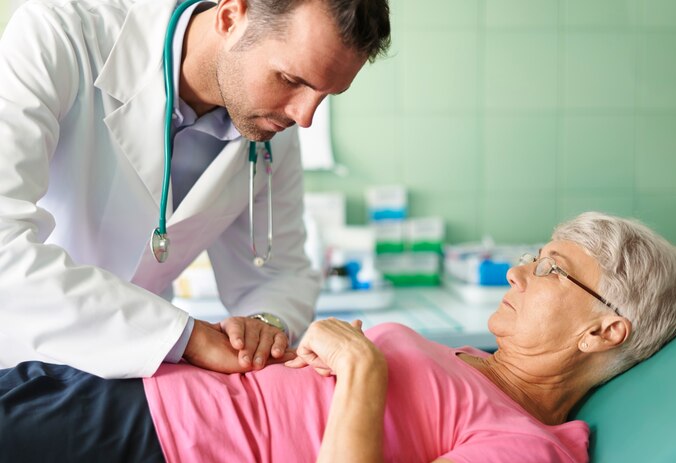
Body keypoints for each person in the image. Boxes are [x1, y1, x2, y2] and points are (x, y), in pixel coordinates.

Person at [0, 212, 676, 463]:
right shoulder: (470, 360)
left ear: (603, 331)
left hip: (160, 456)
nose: (519, 271)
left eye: (552, 268)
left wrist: (362, 371)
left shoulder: (533, 445)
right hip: (136, 386)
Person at [0, 0, 391, 378]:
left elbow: (277, 274)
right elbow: (4, 249)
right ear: (230, 16)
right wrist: (185, 337)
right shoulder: (57, 38)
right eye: (290, 80)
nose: (304, 117)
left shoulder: (272, 131)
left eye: (324, 96)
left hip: (136, 384)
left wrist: (264, 324)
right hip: (17, 361)